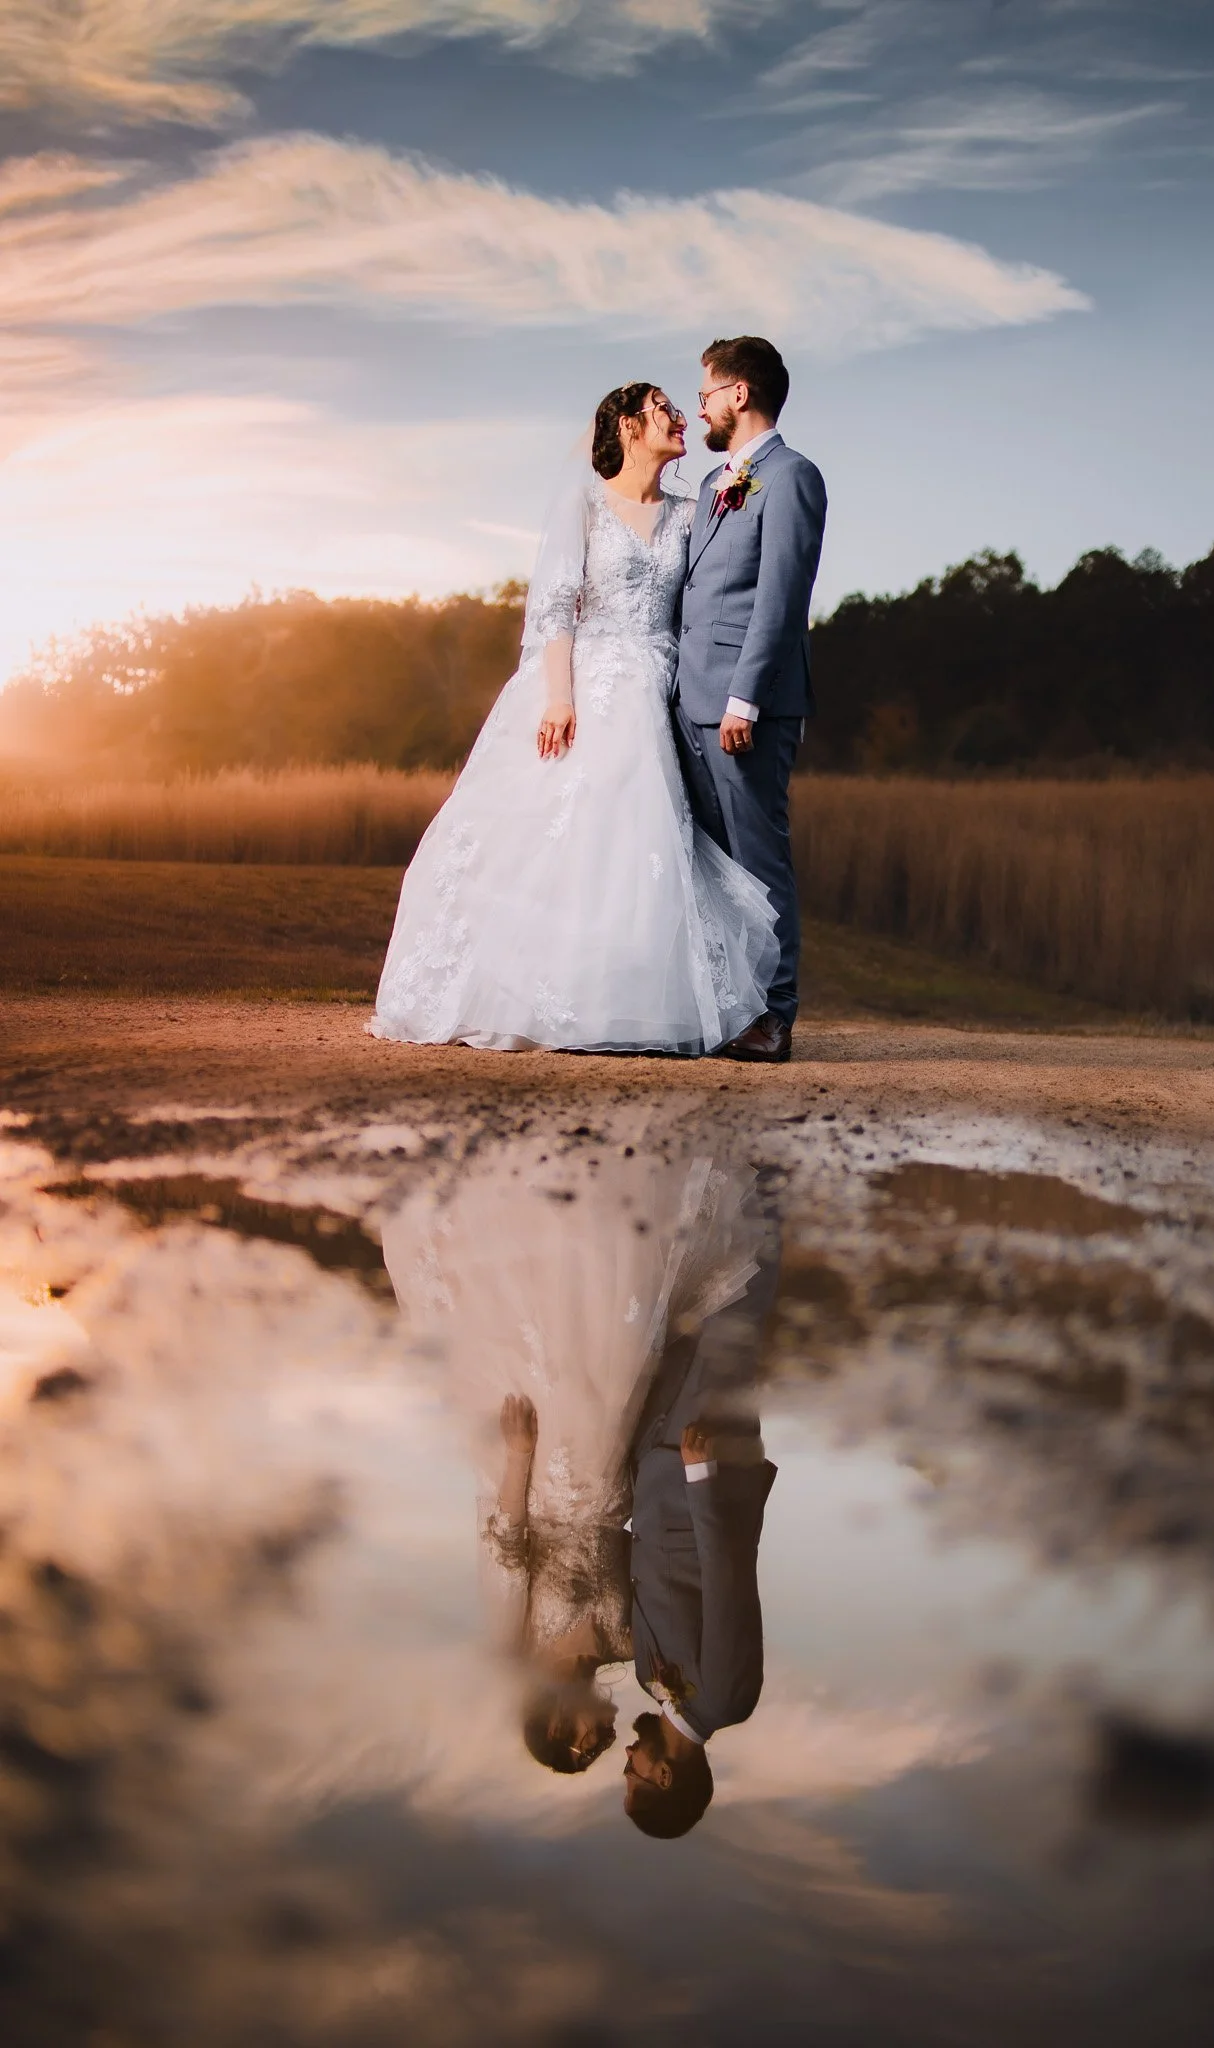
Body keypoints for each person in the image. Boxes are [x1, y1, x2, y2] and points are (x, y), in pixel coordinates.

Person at [367, 383, 778, 1053]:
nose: (679, 419)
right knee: (564, 835)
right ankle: (527, 992)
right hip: (587, 683)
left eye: (680, 408)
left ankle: (631, 997)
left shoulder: (689, 512)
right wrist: (560, 697)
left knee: (644, 846)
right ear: (625, 425)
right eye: (663, 409)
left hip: (659, 688)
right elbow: (556, 606)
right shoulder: (585, 504)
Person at [379, 1138, 768, 1777]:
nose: (610, 1744)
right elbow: (662, 1566)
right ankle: (622, 1182)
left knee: (548, 1335)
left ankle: (522, 1190)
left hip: (546, 1478)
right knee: (609, 1327)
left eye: (588, 1746)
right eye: (611, 1754)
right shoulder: (628, 1651)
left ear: (556, 1726)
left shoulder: (515, 1648)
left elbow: (506, 1547)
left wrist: (519, 1455)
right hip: (612, 1467)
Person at [673, 336, 828, 1063]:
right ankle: (726, 1008)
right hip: (687, 702)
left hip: (745, 707)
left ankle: (774, 1016)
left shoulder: (794, 476)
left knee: (759, 860)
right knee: (712, 866)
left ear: (740, 393)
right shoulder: (712, 486)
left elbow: (780, 598)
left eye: (706, 391)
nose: (698, 405)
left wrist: (746, 701)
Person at [623, 1195, 780, 1839]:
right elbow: (727, 1581)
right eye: (632, 1777)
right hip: (702, 1469)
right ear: (665, 1778)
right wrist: (700, 1478)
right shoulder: (727, 1699)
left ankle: (718, 1178)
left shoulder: (643, 1679)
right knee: (736, 1318)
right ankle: (769, 1185)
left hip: (654, 1467)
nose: (626, 1763)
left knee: (684, 1303)